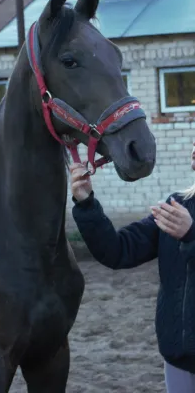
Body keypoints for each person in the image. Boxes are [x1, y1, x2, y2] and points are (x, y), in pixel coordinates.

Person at [69, 143, 195, 393]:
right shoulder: (178, 207)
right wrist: (86, 203)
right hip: (177, 357)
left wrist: (191, 236)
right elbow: (119, 250)